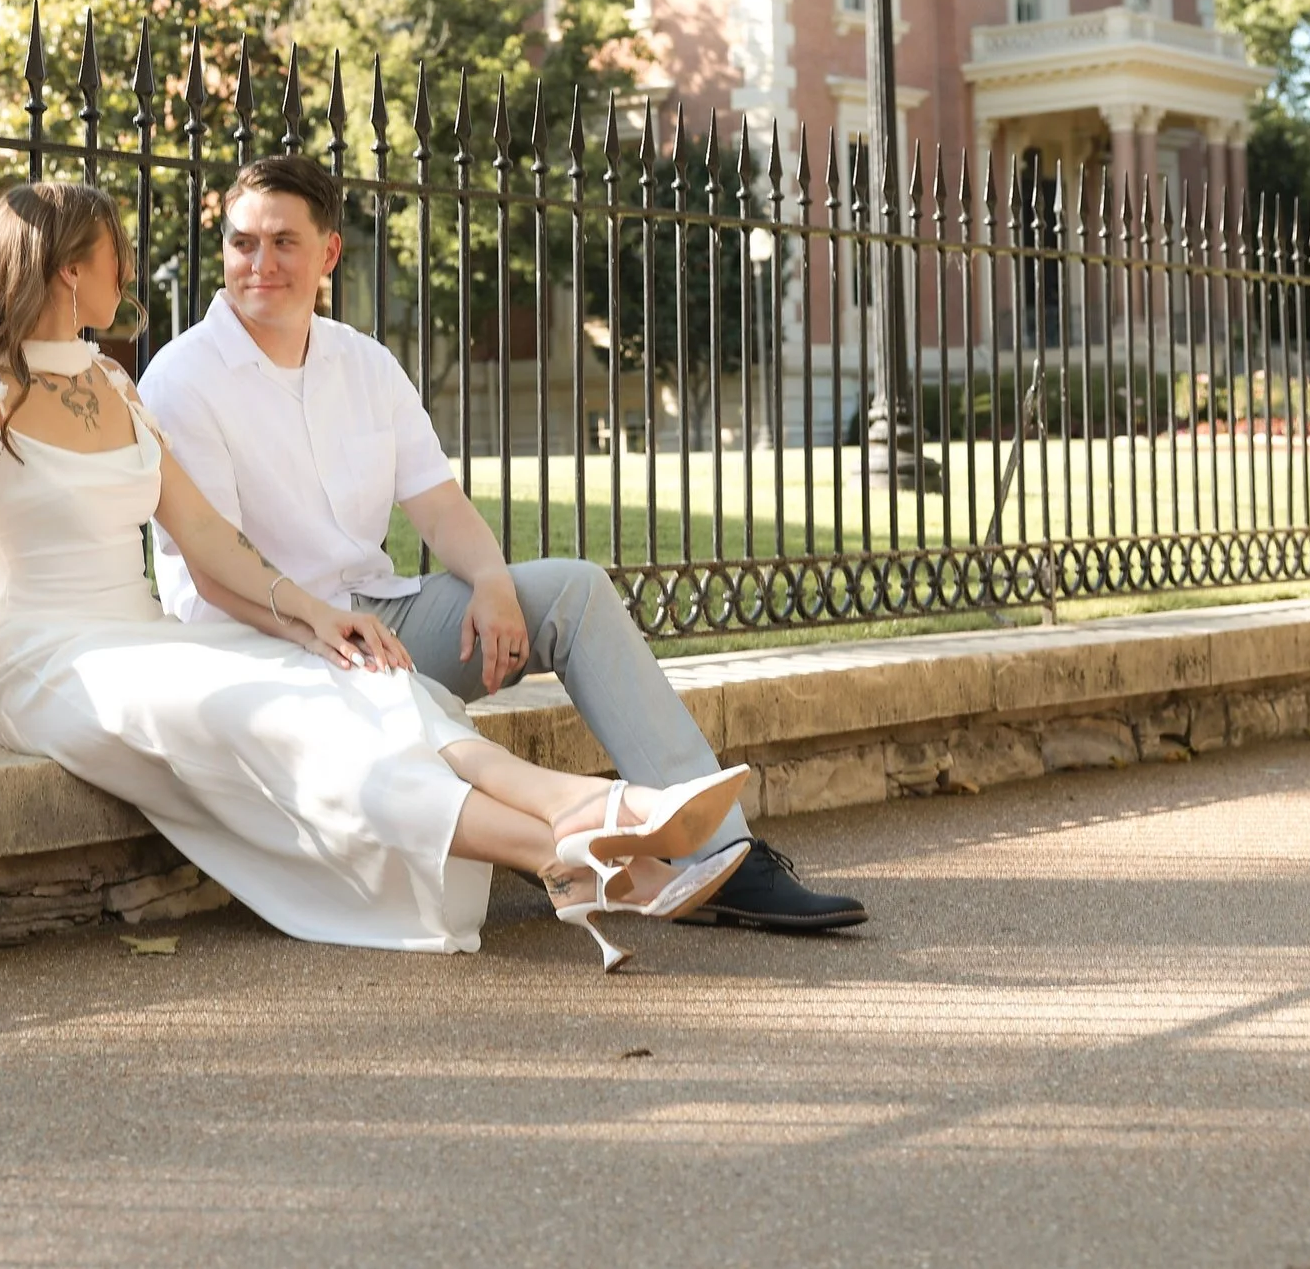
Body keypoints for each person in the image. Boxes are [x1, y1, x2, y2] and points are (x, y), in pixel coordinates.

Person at [0, 181, 751, 969]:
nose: (131, 274)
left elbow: (209, 542)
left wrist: (321, 619)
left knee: (354, 682)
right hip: (55, 662)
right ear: (74, 269)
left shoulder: (115, 387)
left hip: (151, 639)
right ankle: (572, 855)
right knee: (272, 709)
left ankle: (600, 817)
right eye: (116, 259)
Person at [139, 156, 867, 932]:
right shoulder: (184, 379)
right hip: (265, 641)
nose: (260, 263)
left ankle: (718, 858)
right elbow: (218, 574)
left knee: (573, 591)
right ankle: (589, 847)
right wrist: (329, 628)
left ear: (328, 253)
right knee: (393, 683)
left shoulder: (365, 364)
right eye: (242, 242)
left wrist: (490, 580)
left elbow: (438, 501)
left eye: (284, 242)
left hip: (376, 614)